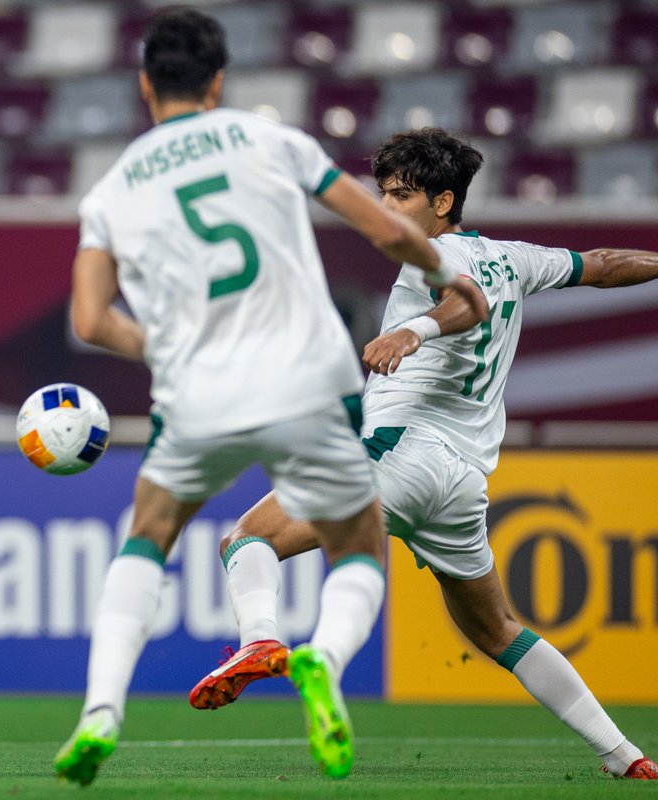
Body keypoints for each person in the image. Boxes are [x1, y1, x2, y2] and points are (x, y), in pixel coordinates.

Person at [52, 9, 486, 786]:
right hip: (307, 380)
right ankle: (321, 655)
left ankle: (101, 711)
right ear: (219, 81)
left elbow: (88, 320)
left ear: (146, 84)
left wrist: (166, 346)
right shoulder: (270, 140)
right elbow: (381, 228)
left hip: (198, 391)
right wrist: (444, 276)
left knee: (146, 540)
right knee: (358, 547)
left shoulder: (113, 189)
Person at [190, 127, 658, 781]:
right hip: (462, 482)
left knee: (247, 540)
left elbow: (464, 303)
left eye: (402, 195)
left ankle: (263, 641)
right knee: (496, 629)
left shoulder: (428, 257)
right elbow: (605, 262)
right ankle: (625, 756)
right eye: (381, 193)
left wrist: (414, 329)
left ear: (443, 202)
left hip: (402, 453)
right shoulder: (517, 257)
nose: (387, 207)